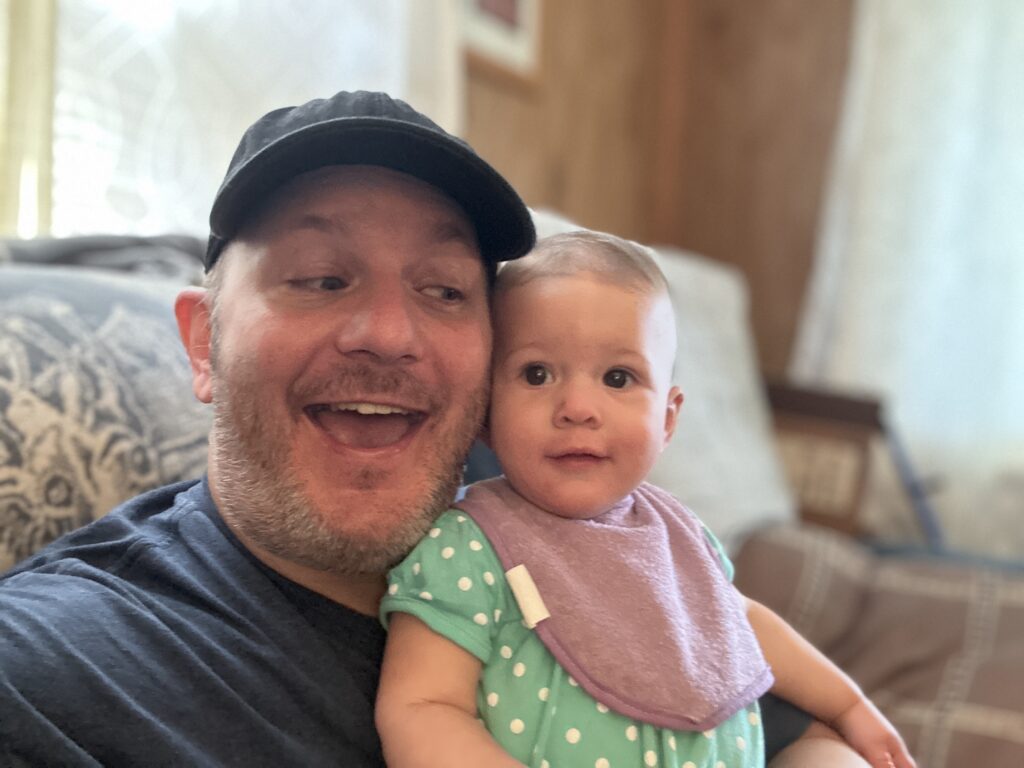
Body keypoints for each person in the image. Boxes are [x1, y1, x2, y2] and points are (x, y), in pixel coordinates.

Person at [0, 89, 882, 767]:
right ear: (204, 343)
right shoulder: (50, 673)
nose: (389, 333)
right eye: (321, 278)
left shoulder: (569, 537)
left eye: (445, 290)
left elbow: (799, 733)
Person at [376, 231, 915, 768]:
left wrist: (848, 705)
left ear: (668, 419)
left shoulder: (677, 532)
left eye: (618, 377)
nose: (578, 407)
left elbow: (739, 621)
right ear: (485, 412)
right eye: (536, 374)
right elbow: (421, 709)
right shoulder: (467, 548)